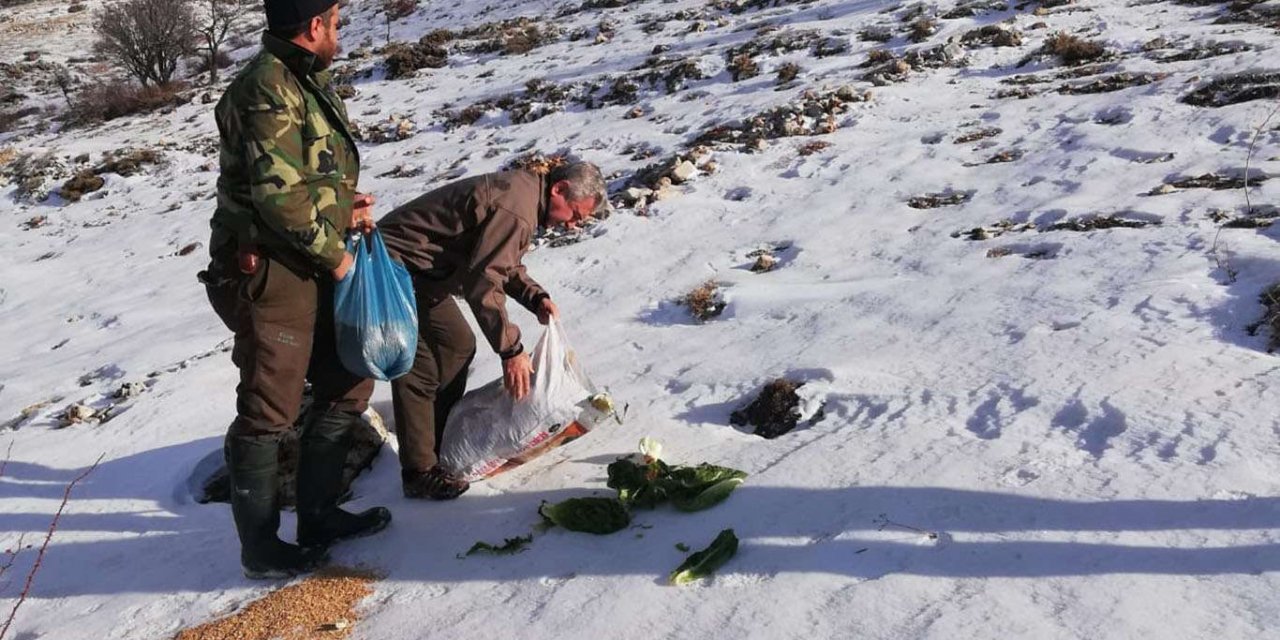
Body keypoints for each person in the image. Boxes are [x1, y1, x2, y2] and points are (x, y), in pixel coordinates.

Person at [198, 0, 390, 580]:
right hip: (273, 268)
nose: (340, 33)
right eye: (336, 23)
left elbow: (305, 176)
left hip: (308, 256)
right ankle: (260, 548)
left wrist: (342, 206)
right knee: (269, 407)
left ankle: (320, 515)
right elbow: (277, 197)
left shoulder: (302, 78)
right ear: (313, 27)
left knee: (348, 380)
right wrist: (337, 256)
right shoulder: (267, 87)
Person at [378, 162, 609, 499]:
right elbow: (484, 281)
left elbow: (502, 263)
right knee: (422, 368)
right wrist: (511, 350)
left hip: (423, 275)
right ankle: (419, 470)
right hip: (394, 269)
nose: (572, 225)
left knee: (456, 346)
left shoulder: (524, 198)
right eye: (575, 214)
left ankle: (437, 441)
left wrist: (536, 297)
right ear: (559, 189)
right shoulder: (517, 207)